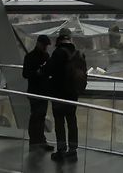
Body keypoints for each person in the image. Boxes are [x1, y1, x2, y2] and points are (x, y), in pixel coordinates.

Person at [43, 32, 82, 161]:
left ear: (59, 39)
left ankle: (61, 150)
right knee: (72, 121)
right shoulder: (77, 54)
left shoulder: (58, 53)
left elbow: (48, 70)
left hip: (59, 93)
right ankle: (73, 150)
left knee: (59, 122)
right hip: (73, 93)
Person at [21, 34, 52, 151]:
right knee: (37, 116)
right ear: (39, 44)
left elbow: (26, 74)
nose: (45, 47)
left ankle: (37, 141)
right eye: (44, 45)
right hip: (37, 91)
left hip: (38, 90)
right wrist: (37, 73)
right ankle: (37, 140)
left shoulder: (32, 56)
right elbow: (25, 74)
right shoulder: (33, 57)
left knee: (39, 116)